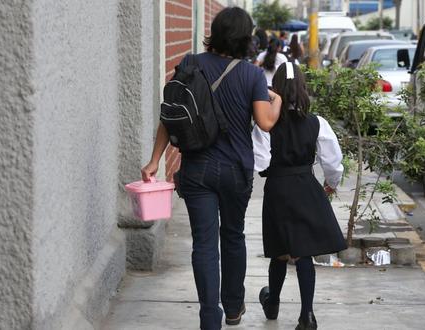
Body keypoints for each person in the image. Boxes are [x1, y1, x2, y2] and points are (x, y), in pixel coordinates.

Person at [141, 7, 282, 330]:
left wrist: (154, 161)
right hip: (235, 171)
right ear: (246, 39)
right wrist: (276, 101)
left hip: (196, 170)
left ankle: (209, 317)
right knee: (233, 236)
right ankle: (233, 307)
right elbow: (265, 123)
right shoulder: (252, 75)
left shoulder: (190, 65)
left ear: (215, 32)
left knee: (204, 243)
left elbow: (171, 114)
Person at [252, 62, 347, 330]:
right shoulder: (317, 123)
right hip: (306, 186)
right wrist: (331, 183)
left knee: (279, 251)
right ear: (303, 88)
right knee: (303, 253)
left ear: (277, 89)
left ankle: (273, 303)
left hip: (278, 188)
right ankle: (307, 315)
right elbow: (332, 162)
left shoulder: (265, 125)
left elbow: (259, 162)